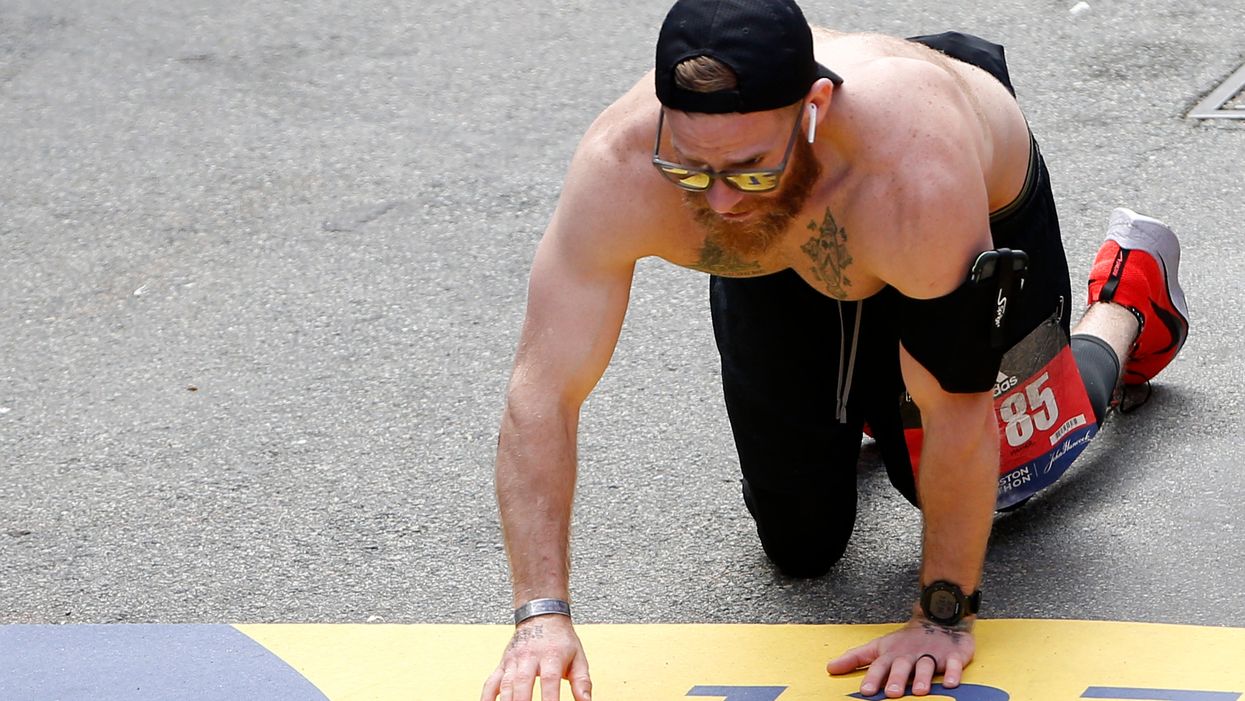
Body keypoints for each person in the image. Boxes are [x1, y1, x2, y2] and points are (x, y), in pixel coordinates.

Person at [480, 0, 1190, 698]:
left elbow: (958, 407)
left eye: (750, 168)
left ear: (814, 108)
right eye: (692, 170)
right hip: (785, 252)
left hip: (935, 204)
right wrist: (540, 618)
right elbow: (543, 391)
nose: (721, 202)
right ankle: (879, 387)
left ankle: (1126, 302)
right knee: (800, 543)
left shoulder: (914, 171)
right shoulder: (621, 165)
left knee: (1004, 472)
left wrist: (942, 618)